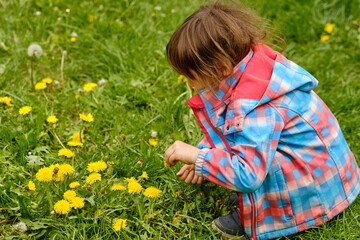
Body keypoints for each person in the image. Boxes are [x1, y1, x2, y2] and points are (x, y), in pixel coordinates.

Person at [164, 1, 360, 239]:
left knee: (247, 175)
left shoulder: (256, 107)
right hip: (330, 179)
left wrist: (199, 157)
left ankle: (259, 211)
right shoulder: (255, 69)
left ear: (221, 67)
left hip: (317, 194)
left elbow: (247, 175)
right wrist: (206, 158)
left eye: (189, 75)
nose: (188, 83)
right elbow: (236, 131)